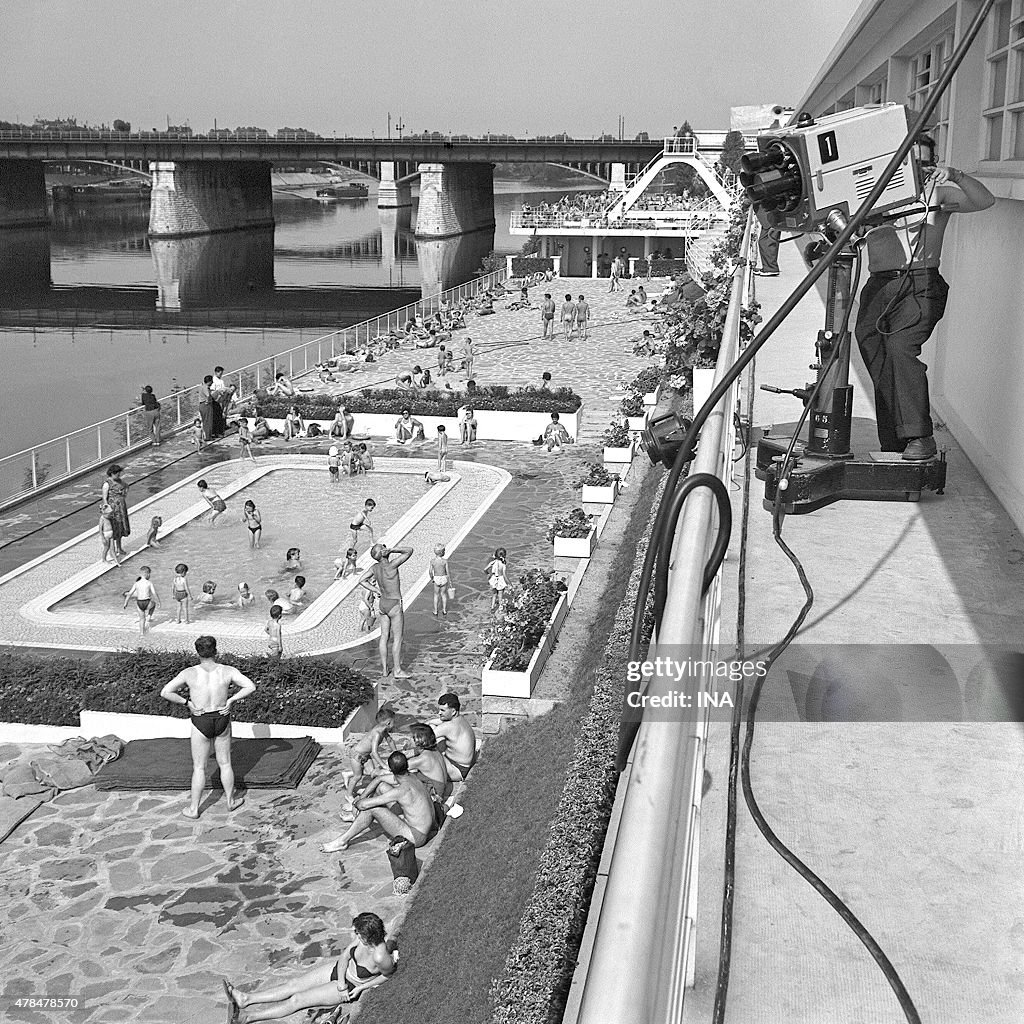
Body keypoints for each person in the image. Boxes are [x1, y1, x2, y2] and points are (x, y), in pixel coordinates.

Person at [854, 163, 994, 460]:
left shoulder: (936, 195)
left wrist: (956, 175)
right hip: (879, 285)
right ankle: (895, 438)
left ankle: (920, 435)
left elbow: (985, 201)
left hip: (920, 284)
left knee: (900, 348)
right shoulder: (871, 195)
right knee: (875, 351)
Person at [223, 912, 396, 1022]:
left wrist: (359, 989)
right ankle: (246, 999)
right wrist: (340, 981)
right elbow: (344, 957)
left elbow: (386, 976)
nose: (355, 934)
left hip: (351, 986)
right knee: (293, 984)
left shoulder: (381, 957)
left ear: (368, 936)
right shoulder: (361, 939)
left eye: (358, 932)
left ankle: (248, 1018)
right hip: (340, 973)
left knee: (297, 999)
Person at [159, 635, 256, 819]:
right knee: (225, 763)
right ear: (215, 650)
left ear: (197, 652)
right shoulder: (227, 671)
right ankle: (230, 801)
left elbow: (165, 692)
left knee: (199, 767)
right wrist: (232, 699)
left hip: (200, 718)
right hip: (221, 717)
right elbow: (250, 686)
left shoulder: (189, 673)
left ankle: (194, 809)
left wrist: (187, 702)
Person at [322, 751, 443, 853]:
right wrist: (362, 796)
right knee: (381, 786)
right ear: (406, 766)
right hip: (422, 825)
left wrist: (356, 803)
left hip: (416, 836)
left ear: (390, 769)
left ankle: (342, 841)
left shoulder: (402, 790)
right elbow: (379, 779)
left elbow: (365, 805)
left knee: (371, 809)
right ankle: (359, 819)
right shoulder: (410, 776)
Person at [359, 542, 413, 679]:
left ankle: (384, 669)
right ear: (383, 552)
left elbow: (362, 580)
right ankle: (397, 671)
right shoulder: (392, 565)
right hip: (394, 603)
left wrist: (376, 590)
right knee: (397, 638)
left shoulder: (374, 568)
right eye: (383, 547)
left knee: (384, 636)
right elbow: (409, 550)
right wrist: (393, 549)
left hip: (383, 604)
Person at [345, 706, 396, 802]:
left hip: (365, 755)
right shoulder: (376, 734)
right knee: (357, 776)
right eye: (394, 722)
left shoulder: (383, 730)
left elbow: (390, 741)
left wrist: (396, 752)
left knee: (371, 772)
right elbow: (374, 752)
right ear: (388, 723)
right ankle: (348, 795)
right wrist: (383, 765)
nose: (395, 724)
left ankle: (348, 774)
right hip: (357, 756)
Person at [433, 692, 478, 782]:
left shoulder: (449, 726)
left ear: (453, 712)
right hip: (459, 763)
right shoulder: (459, 720)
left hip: (457, 769)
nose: (439, 713)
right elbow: (432, 723)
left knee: (427, 755)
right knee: (431, 729)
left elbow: (422, 739)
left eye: (443, 710)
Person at [406, 723, 452, 804]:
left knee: (402, 778)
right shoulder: (434, 750)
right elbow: (411, 753)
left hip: (434, 798)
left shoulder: (423, 758)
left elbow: (396, 767)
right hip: (440, 790)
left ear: (420, 741)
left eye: (412, 738)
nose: (408, 739)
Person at [101, 464, 131, 558]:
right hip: (113, 509)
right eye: (117, 474)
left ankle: (119, 547)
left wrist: (124, 494)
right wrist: (107, 508)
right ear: (112, 473)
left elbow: (127, 486)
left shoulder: (120, 481)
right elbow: (104, 498)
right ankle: (112, 550)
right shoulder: (107, 484)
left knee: (120, 527)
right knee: (113, 528)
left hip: (121, 507)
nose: (119, 476)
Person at [123, 566, 159, 635]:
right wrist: (159, 601)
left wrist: (125, 603)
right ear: (148, 574)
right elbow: (154, 593)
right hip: (147, 602)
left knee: (142, 619)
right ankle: (149, 616)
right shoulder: (149, 583)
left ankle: (141, 633)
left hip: (139, 603)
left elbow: (129, 594)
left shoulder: (136, 583)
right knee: (153, 604)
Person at [429, 543, 453, 617]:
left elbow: (430, 571)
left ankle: (436, 610)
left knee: (436, 595)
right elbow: (447, 572)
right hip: (443, 578)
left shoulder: (432, 561)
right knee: (443, 594)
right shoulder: (445, 561)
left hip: (436, 578)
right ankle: (444, 610)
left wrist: (432, 578)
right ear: (442, 552)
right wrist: (449, 580)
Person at [484, 547, 507, 611]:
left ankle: (492, 607)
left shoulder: (493, 562)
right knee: (500, 595)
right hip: (500, 579)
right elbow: (504, 575)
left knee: (494, 595)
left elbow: (485, 569)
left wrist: (488, 574)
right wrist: (509, 583)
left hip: (493, 579)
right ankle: (500, 608)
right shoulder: (503, 564)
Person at [198, 375, 216, 442]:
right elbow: (208, 396)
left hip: (201, 405)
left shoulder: (201, 385)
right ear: (209, 381)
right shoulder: (206, 387)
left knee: (204, 421)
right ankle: (208, 436)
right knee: (208, 420)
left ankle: (206, 435)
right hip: (206, 405)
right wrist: (208, 402)